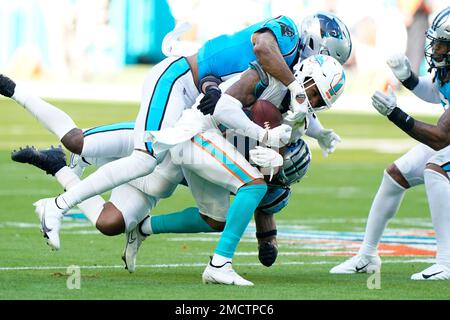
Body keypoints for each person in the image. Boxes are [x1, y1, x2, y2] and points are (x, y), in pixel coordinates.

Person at [330, 6, 450, 278]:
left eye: (442, 44)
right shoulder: (447, 70)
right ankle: (367, 256)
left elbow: (441, 138)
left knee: (436, 169)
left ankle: (447, 261)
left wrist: (395, 115)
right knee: (395, 174)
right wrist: (408, 79)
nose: (436, 49)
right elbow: (438, 94)